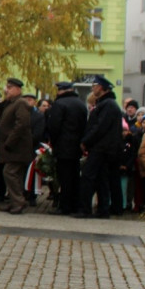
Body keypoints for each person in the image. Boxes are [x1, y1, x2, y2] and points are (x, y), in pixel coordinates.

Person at [74, 75, 124, 218]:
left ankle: (85, 208)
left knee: (88, 177)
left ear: (101, 87)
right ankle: (103, 209)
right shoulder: (106, 104)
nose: (92, 88)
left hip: (102, 148)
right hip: (103, 148)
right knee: (101, 179)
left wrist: (86, 141)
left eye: (94, 85)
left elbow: (100, 127)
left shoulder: (108, 105)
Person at [46, 81, 87, 215]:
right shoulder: (81, 104)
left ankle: (64, 206)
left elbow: (54, 126)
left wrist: (53, 140)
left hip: (63, 146)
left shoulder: (59, 104)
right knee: (74, 176)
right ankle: (75, 204)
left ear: (61, 91)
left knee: (64, 177)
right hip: (76, 146)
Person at [0, 78, 32, 214]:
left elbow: (21, 124)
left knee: (9, 172)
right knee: (14, 174)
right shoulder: (12, 103)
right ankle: (14, 201)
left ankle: (19, 201)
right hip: (13, 147)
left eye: (10, 87)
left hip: (17, 147)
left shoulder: (21, 103)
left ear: (18, 89)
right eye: (7, 87)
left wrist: (10, 142)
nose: (7, 90)